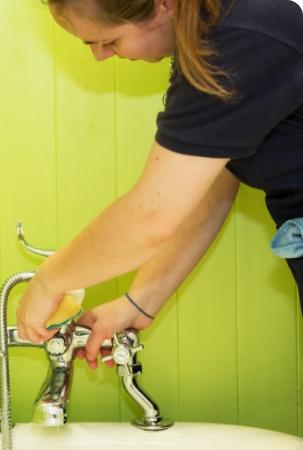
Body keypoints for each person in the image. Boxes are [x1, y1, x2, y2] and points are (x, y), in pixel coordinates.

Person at [17, 0, 303, 368]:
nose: (101, 57)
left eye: (110, 41)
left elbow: (150, 217)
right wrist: (141, 301)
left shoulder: (238, 38)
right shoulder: (217, 31)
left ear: (163, 6)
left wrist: (49, 280)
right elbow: (208, 180)